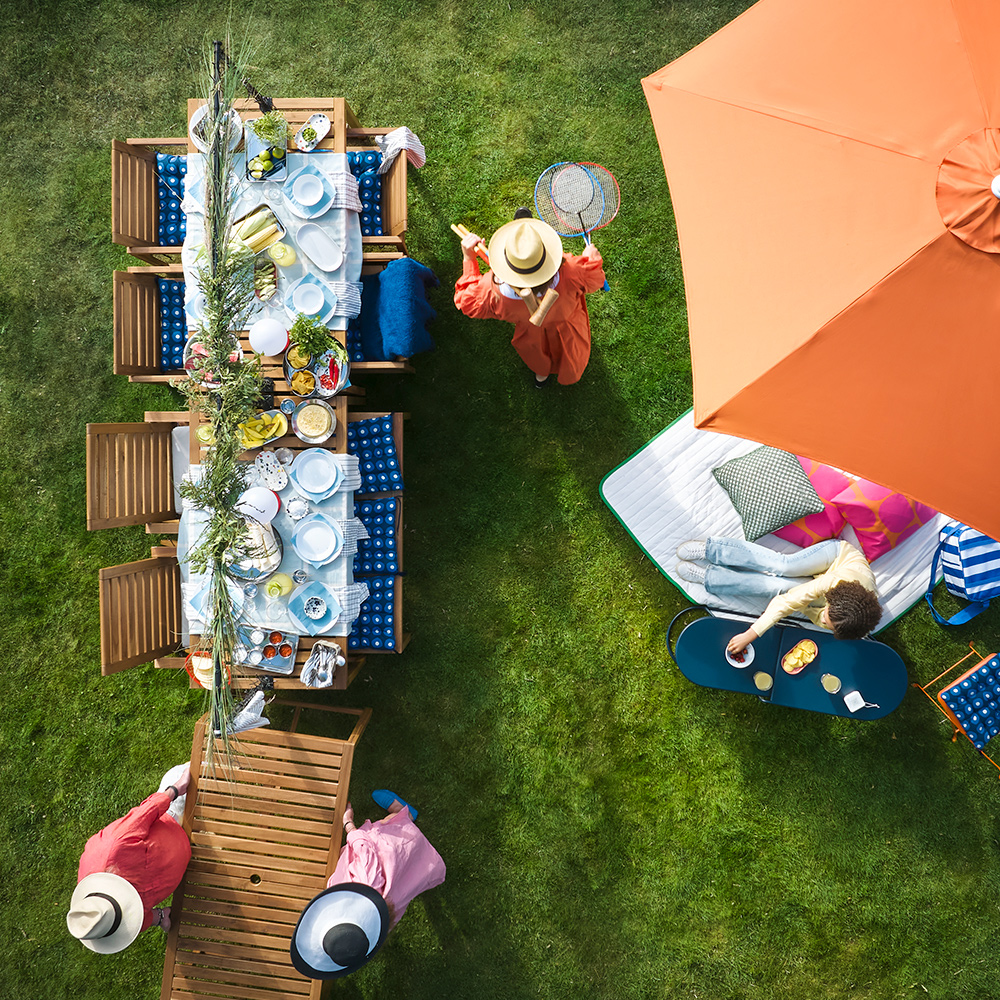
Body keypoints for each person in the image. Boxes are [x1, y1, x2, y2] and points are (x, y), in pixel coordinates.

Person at [290, 789, 446, 979]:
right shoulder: (366, 883)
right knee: (385, 831)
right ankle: (402, 814)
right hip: (388, 856)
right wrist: (349, 825)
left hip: (394, 885)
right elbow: (365, 852)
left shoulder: (378, 926)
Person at [453, 211, 606, 387]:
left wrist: (469, 259)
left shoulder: (492, 291)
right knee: (571, 355)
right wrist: (591, 256)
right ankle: (566, 371)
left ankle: (541, 376)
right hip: (568, 329)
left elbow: (466, 302)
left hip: (532, 337)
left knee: (538, 358)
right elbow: (596, 279)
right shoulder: (572, 272)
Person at [675, 537, 882, 655]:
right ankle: (713, 550)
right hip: (836, 557)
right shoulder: (838, 583)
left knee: (777, 587)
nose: (824, 622)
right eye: (826, 617)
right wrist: (751, 634)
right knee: (783, 566)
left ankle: (711, 577)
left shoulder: (853, 624)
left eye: (829, 625)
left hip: (831, 591)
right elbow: (786, 602)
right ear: (834, 600)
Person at [67, 763, 192, 953]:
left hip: (175, 817)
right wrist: (159, 918)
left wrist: (175, 789)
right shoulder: (115, 922)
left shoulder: (112, 848)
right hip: (193, 857)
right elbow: (139, 920)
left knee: (206, 769)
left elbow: (145, 814)